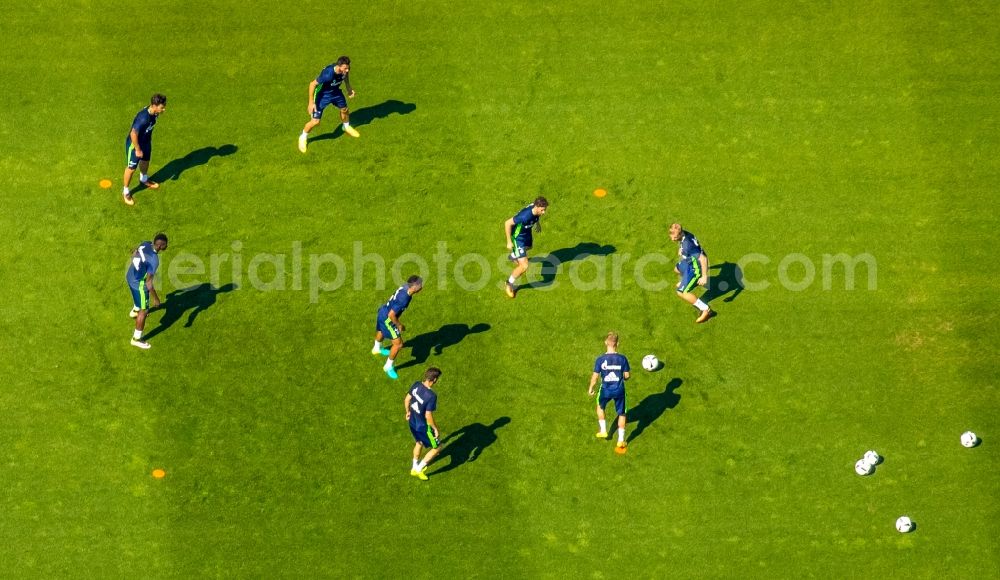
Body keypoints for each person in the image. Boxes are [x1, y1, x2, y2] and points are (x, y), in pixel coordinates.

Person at [298, 56, 358, 152]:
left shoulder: (344, 71)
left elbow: (345, 76)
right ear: (339, 66)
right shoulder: (328, 74)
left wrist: (348, 88)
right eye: (345, 68)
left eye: (348, 68)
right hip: (323, 96)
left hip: (336, 93)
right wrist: (311, 102)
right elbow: (312, 84)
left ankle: (346, 126)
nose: (347, 70)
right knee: (315, 122)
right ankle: (303, 137)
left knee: (345, 109)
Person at [373, 276, 424, 379]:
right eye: (419, 285)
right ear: (413, 286)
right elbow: (392, 315)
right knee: (399, 344)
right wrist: (399, 325)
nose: (421, 286)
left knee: (381, 330)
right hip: (388, 318)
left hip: (383, 311)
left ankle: (376, 348)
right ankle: (388, 366)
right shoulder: (404, 298)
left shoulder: (405, 287)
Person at [588, 332, 631, 452]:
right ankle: (620, 440)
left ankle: (603, 430)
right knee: (622, 414)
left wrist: (591, 388)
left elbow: (595, 377)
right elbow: (627, 376)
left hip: (605, 390)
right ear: (617, 343)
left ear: (606, 343)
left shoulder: (600, 359)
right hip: (619, 390)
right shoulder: (622, 359)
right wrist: (623, 376)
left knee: (600, 407)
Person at [123, 94, 167, 206]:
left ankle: (144, 179)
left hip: (146, 143)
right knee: (131, 168)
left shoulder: (155, 112)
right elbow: (133, 134)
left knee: (146, 160)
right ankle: (126, 191)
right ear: (154, 105)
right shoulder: (143, 118)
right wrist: (137, 149)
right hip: (135, 145)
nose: (164, 109)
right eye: (162, 107)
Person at [126, 233, 168, 349]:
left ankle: (135, 310)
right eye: (165, 244)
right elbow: (149, 283)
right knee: (144, 311)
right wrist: (156, 299)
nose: (166, 246)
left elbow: (134, 252)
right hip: (138, 284)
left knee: (139, 302)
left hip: (130, 275)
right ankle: (136, 339)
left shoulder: (145, 243)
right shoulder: (154, 260)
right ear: (160, 246)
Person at [502, 196, 549, 298]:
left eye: (545, 210)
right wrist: (509, 242)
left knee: (529, 246)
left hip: (526, 232)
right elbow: (507, 223)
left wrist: (537, 223)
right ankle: (509, 283)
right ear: (536, 207)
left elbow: (536, 216)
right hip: (518, 238)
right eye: (542, 210)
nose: (544, 212)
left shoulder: (535, 209)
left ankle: (514, 255)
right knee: (524, 266)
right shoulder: (524, 216)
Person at [670, 223, 714, 323]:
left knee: (681, 292)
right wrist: (681, 249)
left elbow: (703, 258)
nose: (673, 239)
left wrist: (704, 276)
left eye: (675, 237)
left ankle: (705, 310)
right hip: (690, 261)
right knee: (677, 269)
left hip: (696, 268)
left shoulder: (687, 245)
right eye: (671, 236)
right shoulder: (685, 235)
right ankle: (686, 280)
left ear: (680, 234)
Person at [404, 367, 443, 481]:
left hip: (412, 422)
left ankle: (414, 467)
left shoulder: (416, 385)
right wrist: (435, 428)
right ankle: (419, 469)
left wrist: (407, 412)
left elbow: (407, 399)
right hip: (423, 427)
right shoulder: (431, 396)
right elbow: (428, 415)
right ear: (434, 379)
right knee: (438, 447)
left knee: (419, 442)